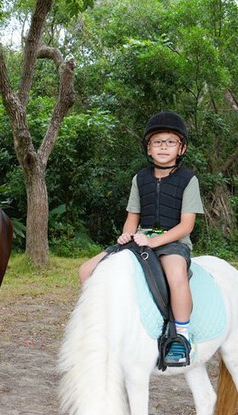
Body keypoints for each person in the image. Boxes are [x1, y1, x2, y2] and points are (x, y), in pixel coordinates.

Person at [78, 112, 204, 365]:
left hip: (173, 242)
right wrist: (128, 233)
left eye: (170, 142)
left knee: (176, 274)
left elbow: (186, 225)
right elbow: (132, 216)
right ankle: (97, 325)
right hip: (141, 238)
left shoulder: (188, 180)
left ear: (182, 148)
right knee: (87, 269)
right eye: (158, 142)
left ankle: (181, 336)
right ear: (148, 148)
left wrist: (156, 242)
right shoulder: (140, 178)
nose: (164, 147)